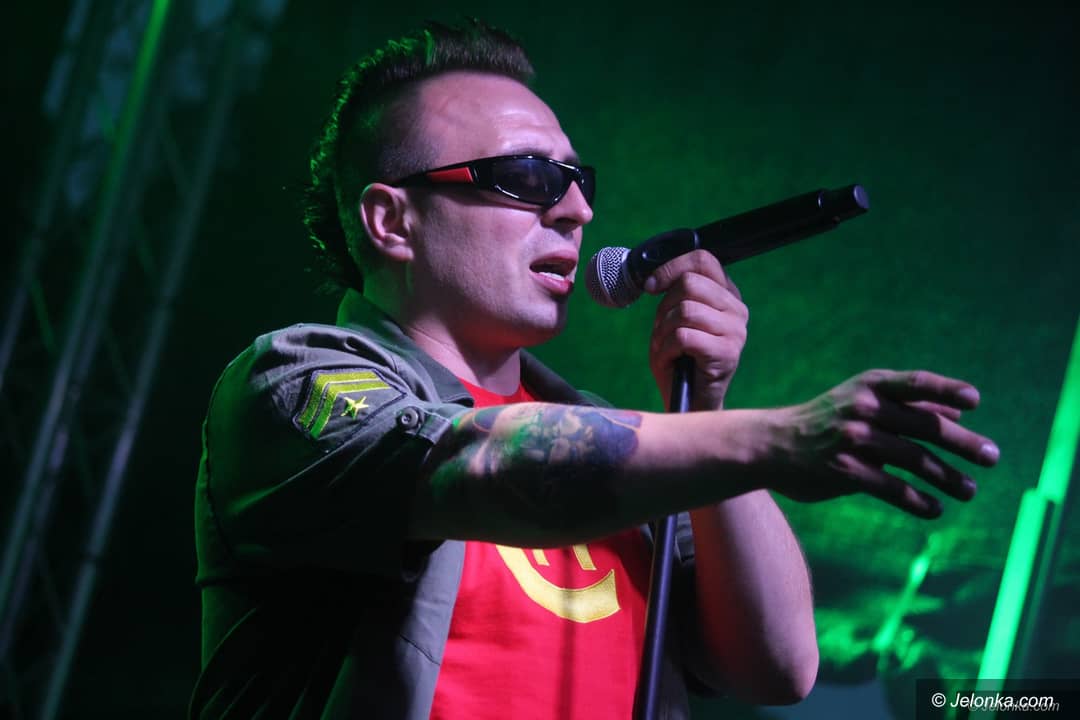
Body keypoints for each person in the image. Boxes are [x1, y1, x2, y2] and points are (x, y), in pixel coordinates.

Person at [190, 19, 999, 720]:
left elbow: (777, 667)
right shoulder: (288, 386)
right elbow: (481, 464)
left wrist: (708, 410)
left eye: (578, 181)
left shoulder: (623, 442)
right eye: (526, 177)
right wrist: (775, 439)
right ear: (391, 221)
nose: (576, 210)